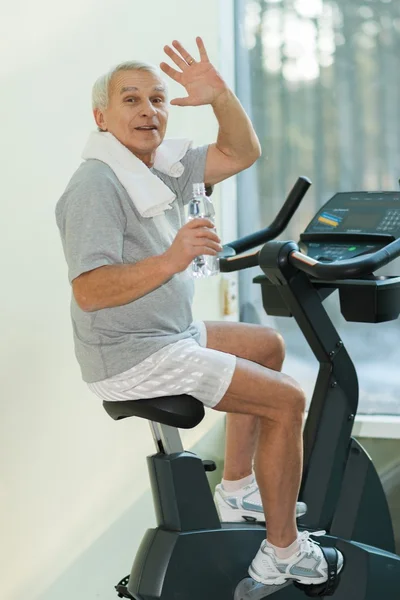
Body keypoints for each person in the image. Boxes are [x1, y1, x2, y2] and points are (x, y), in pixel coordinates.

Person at [55, 36, 343, 587]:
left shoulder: (161, 164)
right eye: (132, 99)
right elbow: (90, 290)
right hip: (133, 352)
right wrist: (172, 258)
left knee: (267, 346)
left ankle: (237, 493)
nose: (149, 110)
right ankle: (284, 553)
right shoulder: (96, 184)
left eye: (158, 98)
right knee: (286, 402)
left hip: (167, 331)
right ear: (101, 116)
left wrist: (220, 97)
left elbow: (241, 152)